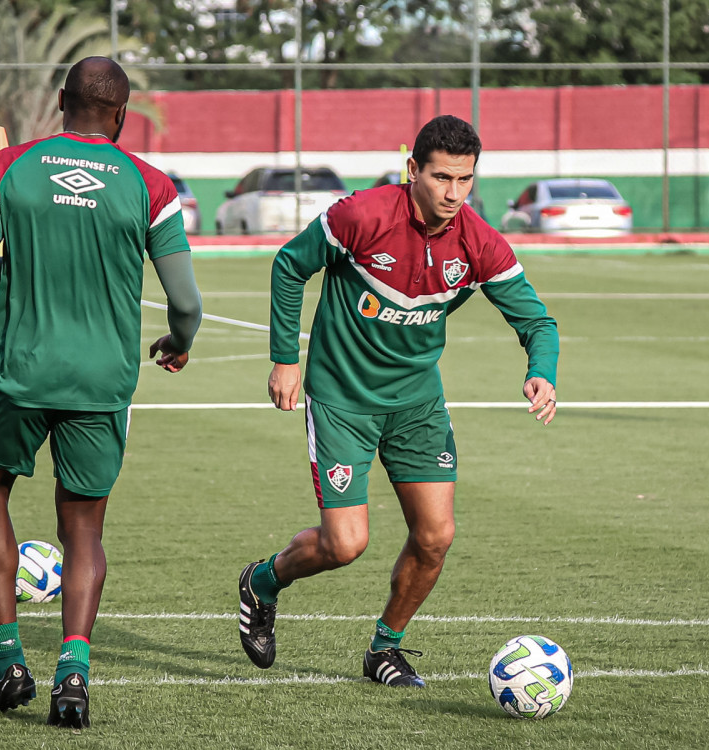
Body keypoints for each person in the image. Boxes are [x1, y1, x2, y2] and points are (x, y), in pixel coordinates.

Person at [237, 115, 559, 688]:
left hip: (416, 405)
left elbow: (536, 320)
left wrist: (542, 373)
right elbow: (290, 264)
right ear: (414, 169)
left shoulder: (478, 242)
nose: (454, 193)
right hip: (342, 399)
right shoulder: (360, 215)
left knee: (436, 536)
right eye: (441, 178)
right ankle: (264, 581)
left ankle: (384, 649)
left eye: (465, 180)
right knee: (345, 544)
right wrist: (286, 359)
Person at [0, 56, 203, 728]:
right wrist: (178, 343)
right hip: (101, 380)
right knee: (83, 526)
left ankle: (8, 663)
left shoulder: (12, 166)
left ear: (61, 101)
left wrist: (17, 269)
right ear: (122, 113)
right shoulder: (150, 184)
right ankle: (73, 676)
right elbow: (185, 302)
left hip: (12, 371)